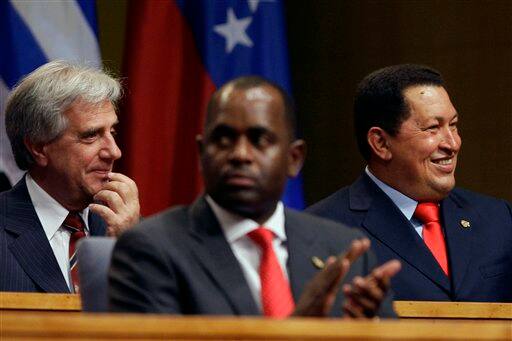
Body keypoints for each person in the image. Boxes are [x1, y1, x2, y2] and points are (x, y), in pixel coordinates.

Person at [108, 76, 401, 318]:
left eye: (260, 140)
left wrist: (368, 330)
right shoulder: (151, 249)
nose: (240, 154)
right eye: (223, 139)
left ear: (294, 158)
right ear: (201, 153)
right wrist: (298, 331)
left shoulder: (343, 250)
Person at [308, 64, 512, 302]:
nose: (452, 143)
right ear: (381, 143)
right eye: (433, 128)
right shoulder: (322, 230)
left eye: (453, 125)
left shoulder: (500, 219)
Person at [0, 61, 140, 293]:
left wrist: (131, 249)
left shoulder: (132, 232)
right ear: (39, 147)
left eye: (112, 132)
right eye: (91, 135)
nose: (114, 152)